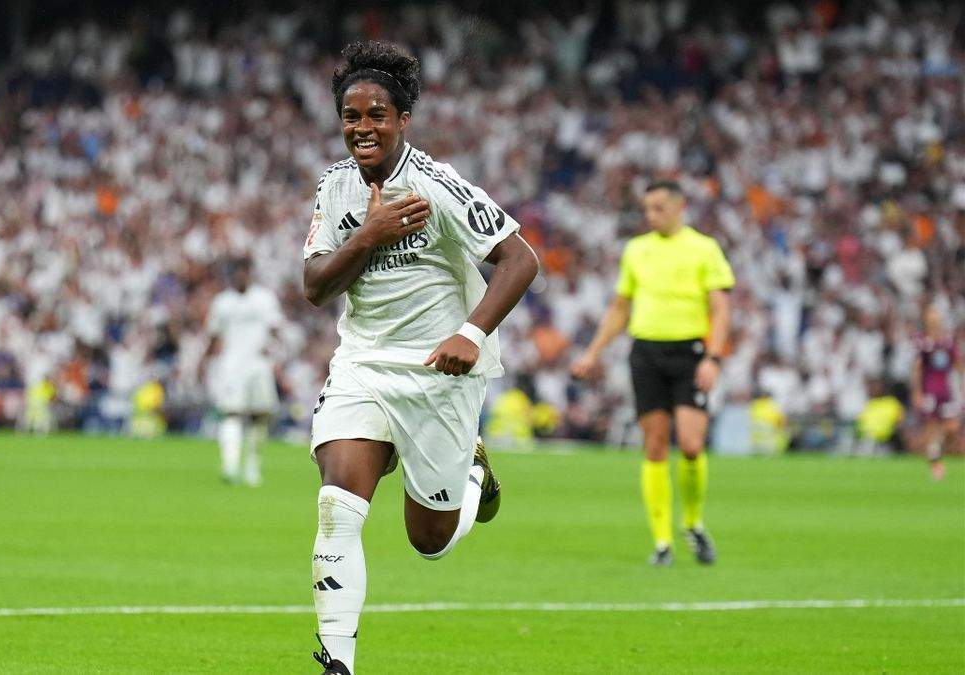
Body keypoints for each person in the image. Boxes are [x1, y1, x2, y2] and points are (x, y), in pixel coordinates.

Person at [302, 42, 539, 674]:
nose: (362, 128)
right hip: (362, 363)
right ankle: (337, 663)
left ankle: (471, 480)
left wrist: (472, 332)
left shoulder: (438, 186)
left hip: (440, 370)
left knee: (428, 541)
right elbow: (315, 286)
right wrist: (370, 235)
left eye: (376, 115)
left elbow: (522, 260)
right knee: (337, 505)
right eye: (351, 117)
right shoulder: (334, 187)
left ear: (403, 118)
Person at [571, 179, 733, 566]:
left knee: (692, 445)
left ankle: (692, 522)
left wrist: (713, 358)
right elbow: (619, 308)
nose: (651, 215)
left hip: (689, 352)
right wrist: (593, 352)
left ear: (680, 207)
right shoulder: (636, 250)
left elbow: (721, 309)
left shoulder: (704, 248)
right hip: (645, 352)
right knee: (655, 445)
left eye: (658, 207)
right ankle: (662, 543)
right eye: (647, 208)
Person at [200, 258, 283, 487]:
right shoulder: (223, 302)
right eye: (236, 273)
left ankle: (252, 467)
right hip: (232, 365)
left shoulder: (264, 299)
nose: (241, 277)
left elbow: (276, 329)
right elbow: (213, 335)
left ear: (249, 274)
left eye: (244, 272)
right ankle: (230, 466)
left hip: (258, 364)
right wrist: (201, 362)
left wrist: (276, 353)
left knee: (259, 415)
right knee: (232, 413)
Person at [911, 306, 962, 481]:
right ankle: (936, 465)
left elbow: (958, 365)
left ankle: (935, 452)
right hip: (930, 392)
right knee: (932, 428)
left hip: (947, 391)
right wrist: (917, 392)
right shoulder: (923, 343)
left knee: (952, 427)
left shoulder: (948, 342)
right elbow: (917, 368)